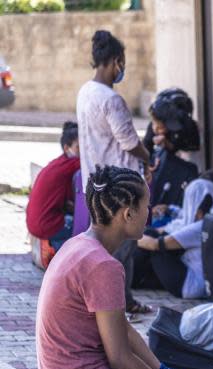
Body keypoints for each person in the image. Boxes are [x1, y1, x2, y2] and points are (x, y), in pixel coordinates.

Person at [36, 165, 177, 369]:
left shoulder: (76, 244)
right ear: (128, 214)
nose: (149, 213)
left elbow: (123, 329)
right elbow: (120, 359)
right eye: (147, 206)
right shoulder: (103, 266)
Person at [76, 30, 152, 314]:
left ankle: (123, 299)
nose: (123, 69)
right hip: (121, 185)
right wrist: (148, 157)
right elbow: (129, 142)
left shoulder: (85, 92)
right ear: (115, 61)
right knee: (122, 245)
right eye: (123, 62)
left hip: (95, 180)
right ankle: (112, 304)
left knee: (107, 242)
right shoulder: (111, 99)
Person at [134, 172, 213, 298]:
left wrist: (131, 238)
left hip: (190, 285)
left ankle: (126, 278)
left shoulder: (200, 226)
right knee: (150, 239)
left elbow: (156, 245)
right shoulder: (209, 221)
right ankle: (131, 280)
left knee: (153, 243)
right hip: (192, 280)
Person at [26, 121, 80, 251]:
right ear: (67, 148)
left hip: (35, 223)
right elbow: (94, 162)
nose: (84, 151)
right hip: (46, 225)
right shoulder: (70, 165)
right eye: (79, 147)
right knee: (83, 227)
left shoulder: (58, 163)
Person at [143, 88, 200, 157]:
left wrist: (169, 145)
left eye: (162, 127)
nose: (156, 130)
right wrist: (148, 164)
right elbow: (146, 149)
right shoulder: (154, 126)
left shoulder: (187, 127)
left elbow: (191, 147)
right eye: (154, 123)